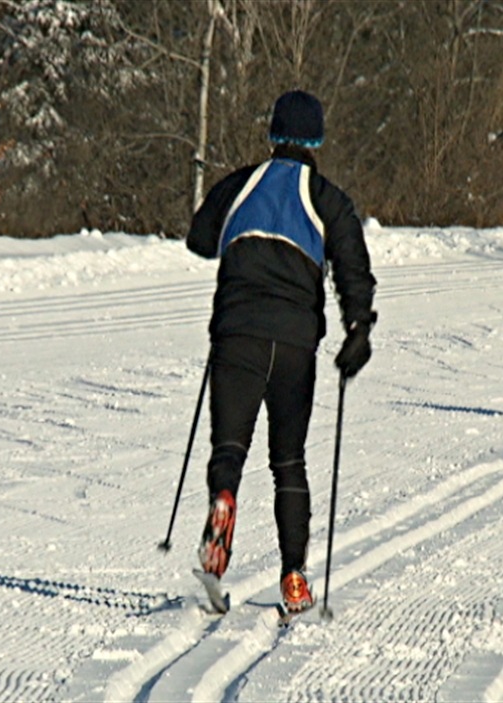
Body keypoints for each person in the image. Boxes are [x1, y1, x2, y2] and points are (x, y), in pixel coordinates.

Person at [185, 90, 377, 613]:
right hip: (294, 345)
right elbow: (353, 268)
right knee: (288, 460)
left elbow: (199, 239)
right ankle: (293, 577)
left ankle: (223, 506)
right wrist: (358, 329)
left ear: (272, 133)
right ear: (316, 139)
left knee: (229, 449)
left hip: (237, 333)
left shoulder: (240, 185)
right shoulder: (327, 198)